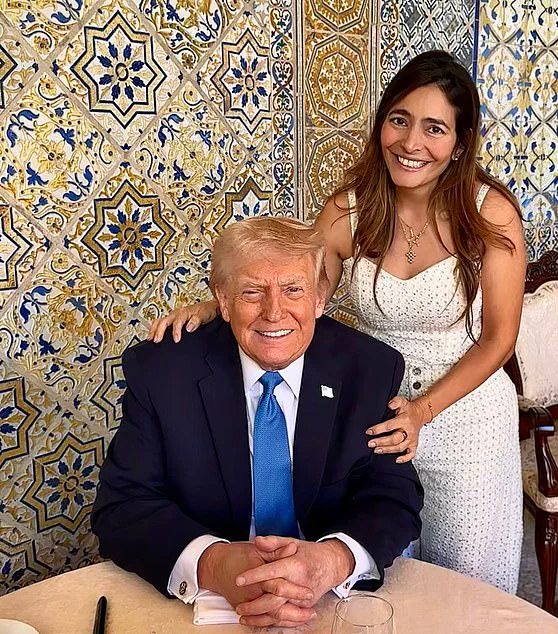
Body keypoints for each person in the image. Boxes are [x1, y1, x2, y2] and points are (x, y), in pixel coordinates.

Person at [148, 50, 526, 593]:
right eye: (399, 120)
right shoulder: (350, 208)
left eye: (434, 128)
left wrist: (422, 411)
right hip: (372, 414)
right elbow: (297, 288)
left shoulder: (489, 212)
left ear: (460, 143)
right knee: (383, 574)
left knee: (463, 582)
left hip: (464, 420)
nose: (410, 142)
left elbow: (499, 340)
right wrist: (220, 304)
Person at [92, 217, 423, 629]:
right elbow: (122, 506)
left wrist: (332, 560)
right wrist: (214, 564)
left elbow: (394, 496)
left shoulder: (369, 367)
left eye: (293, 290)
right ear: (223, 299)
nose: (274, 312)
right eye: (252, 292)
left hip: (328, 604)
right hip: (202, 606)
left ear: (319, 298)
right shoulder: (163, 370)